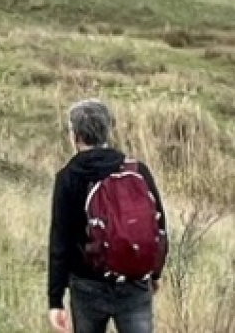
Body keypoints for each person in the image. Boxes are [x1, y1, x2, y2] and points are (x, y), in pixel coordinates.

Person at [48, 99, 167, 333]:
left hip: (86, 285)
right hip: (134, 281)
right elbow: (158, 224)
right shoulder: (136, 170)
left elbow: (60, 242)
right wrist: (154, 272)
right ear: (107, 130)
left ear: (76, 135)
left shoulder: (68, 177)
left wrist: (55, 301)